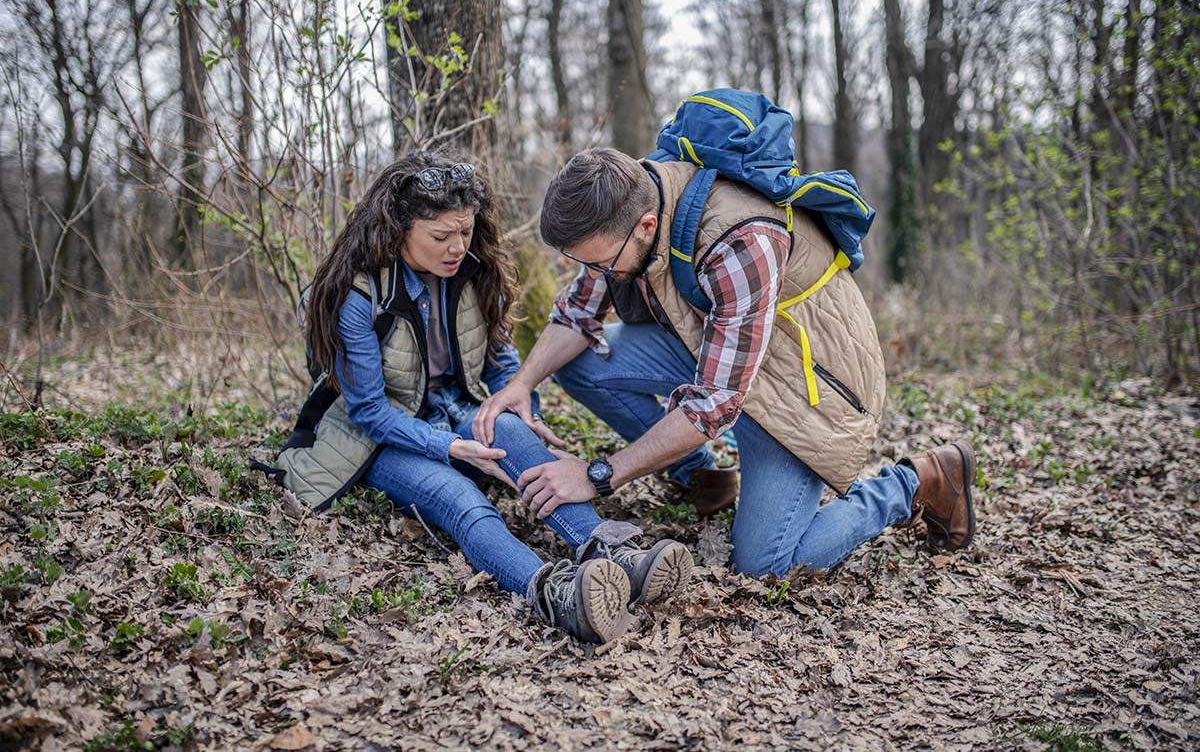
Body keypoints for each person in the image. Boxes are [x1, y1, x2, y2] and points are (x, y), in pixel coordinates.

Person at [473, 148, 977, 577]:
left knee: (766, 564)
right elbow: (577, 314)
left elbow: (713, 406)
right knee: (582, 361)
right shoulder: (626, 207)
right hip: (721, 354)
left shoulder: (741, 239)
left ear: (647, 226)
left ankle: (920, 481)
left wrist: (599, 474)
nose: (594, 274)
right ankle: (701, 477)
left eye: (601, 263)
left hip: (804, 387)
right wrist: (519, 385)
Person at [263, 151, 693, 642]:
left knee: (509, 429)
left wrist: (520, 404)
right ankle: (558, 596)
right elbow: (368, 411)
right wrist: (448, 448)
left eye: (464, 232)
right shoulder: (357, 295)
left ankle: (612, 554)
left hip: (458, 410)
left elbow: (499, 360)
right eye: (441, 237)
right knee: (460, 498)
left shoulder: (473, 270)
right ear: (399, 230)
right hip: (382, 440)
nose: (456, 247)